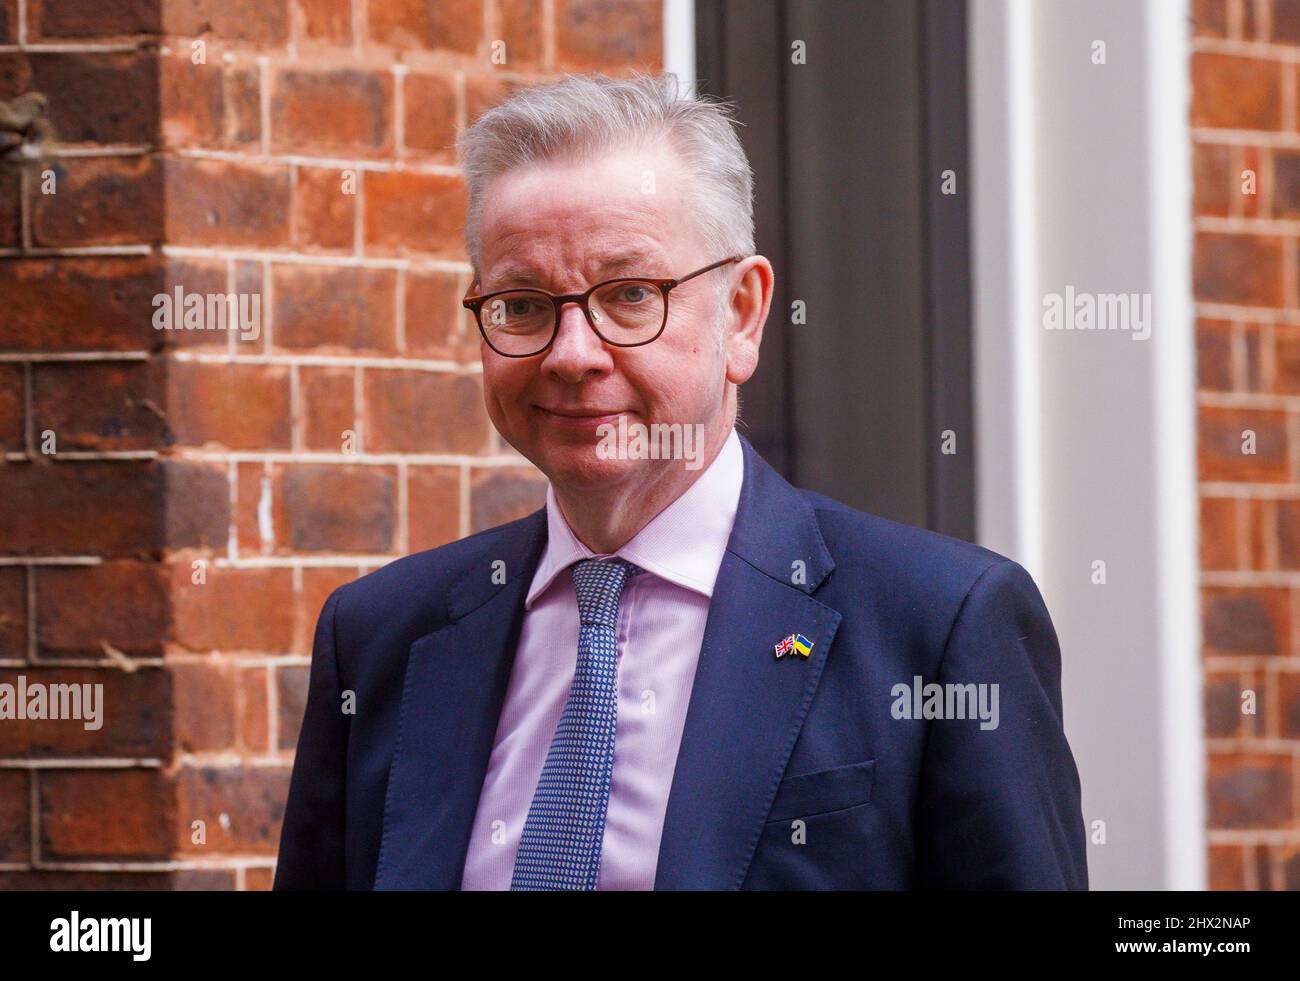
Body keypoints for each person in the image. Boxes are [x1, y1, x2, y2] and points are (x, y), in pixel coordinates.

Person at [274, 72, 1087, 890]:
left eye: (630, 295)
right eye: (522, 306)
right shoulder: (379, 639)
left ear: (741, 314)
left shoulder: (938, 628)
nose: (571, 354)